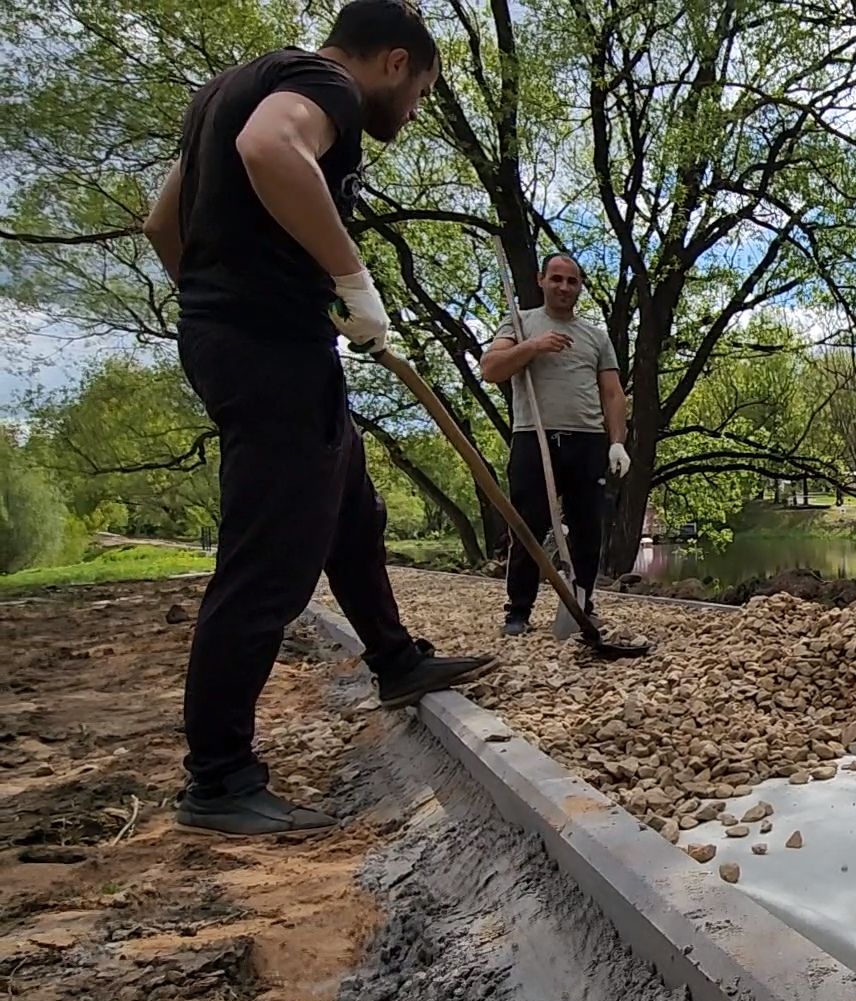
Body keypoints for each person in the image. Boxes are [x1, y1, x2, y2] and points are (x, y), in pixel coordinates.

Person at [142, 0, 497, 837]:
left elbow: (164, 224)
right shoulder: (323, 85)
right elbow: (271, 149)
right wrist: (348, 276)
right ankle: (219, 779)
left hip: (255, 340)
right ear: (397, 62)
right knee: (270, 559)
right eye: (418, 98)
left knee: (350, 512)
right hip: (266, 353)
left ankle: (396, 661)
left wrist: (220, 296)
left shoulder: (223, 91)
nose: (408, 118)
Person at [479, 253, 630, 636]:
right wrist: (534, 347)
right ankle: (518, 611)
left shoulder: (595, 336)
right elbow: (491, 368)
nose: (564, 287)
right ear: (541, 280)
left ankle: (582, 605)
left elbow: (613, 394)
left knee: (587, 530)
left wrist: (617, 443)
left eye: (572, 281)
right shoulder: (520, 323)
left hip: (586, 442)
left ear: (579, 286)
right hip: (534, 437)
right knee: (527, 527)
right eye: (557, 279)